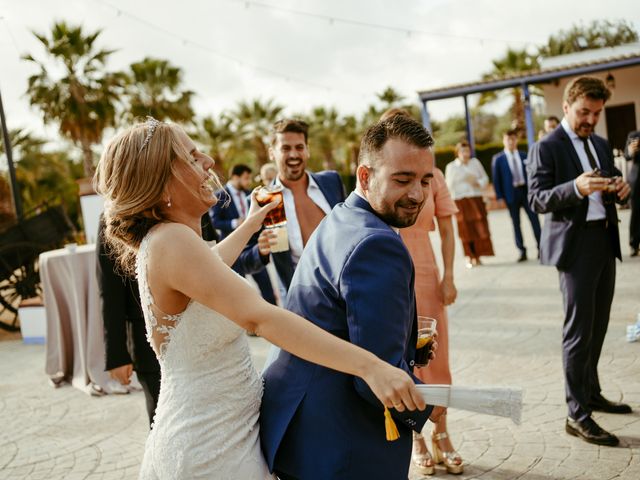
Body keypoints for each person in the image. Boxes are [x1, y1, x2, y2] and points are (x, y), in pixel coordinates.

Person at [95, 117, 425, 479]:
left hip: (226, 433)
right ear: (160, 180)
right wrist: (371, 366)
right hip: (211, 447)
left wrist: (251, 224)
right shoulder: (173, 241)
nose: (207, 161)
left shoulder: (167, 241)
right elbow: (260, 318)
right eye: (191, 157)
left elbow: (211, 267)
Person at [260, 114, 444, 480]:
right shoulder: (378, 244)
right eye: (402, 179)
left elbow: (344, 323)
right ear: (365, 176)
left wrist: (408, 344)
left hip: (301, 427)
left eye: (425, 180)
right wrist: (429, 408)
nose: (418, 194)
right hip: (342, 444)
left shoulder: (341, 215)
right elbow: (373, 381)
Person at [528, 76, 632, 447]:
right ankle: (576, 413)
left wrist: (621, 188)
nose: (590, 119)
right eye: (584, 112)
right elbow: (537, 198)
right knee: (578, 332)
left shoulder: (601, 144)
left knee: (599, 325)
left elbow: (613, 179)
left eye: (596, 113)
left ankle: (591, 392)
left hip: (605, 240)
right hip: (574, 249)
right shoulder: (548, 146)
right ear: (567, 106)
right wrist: (575, 187)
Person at [380, 108, 463, 475]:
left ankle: (442, 433)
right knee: (403, 357)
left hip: (427, 273)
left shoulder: (435, 176)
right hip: (388, 274)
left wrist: (449, 277)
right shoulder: (379, 177)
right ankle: (416, 438)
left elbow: (447, 229)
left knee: (437, 359)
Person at [241, 119, 346, 295]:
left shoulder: (331, 181)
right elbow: (244, 262)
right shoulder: (263, 199)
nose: (294, 155)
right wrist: (261, 250)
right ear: (272, 153)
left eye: (299, 147)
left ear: (307, 150)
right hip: (300, 298)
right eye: (285, 148)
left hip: (344, 287)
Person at [96, 217, 161, 427]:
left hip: (198, 337)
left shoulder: (187, 198)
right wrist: (117, 355)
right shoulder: (112, 216)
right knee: (161, 422)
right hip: (148, 342)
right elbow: (110, 291)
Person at [210, 163, 277, 305]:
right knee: (239, 294)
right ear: (235, 177)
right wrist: (235, 223)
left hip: (253, 248)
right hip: (232, 251)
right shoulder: (220, 195)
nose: (249, 181)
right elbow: (214, 222)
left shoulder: (251, 193)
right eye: (246, 178)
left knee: (268, 290)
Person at [492, 129, 541, 262]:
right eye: (508, 139)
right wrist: (500, 198)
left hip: (527, 193)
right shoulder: (498, 159)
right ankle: (522, 251)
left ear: (516, 140)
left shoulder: (524, 155)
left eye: (513, 139)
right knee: (516, 224)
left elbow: (533, 175)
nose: (511, 142)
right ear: (504, 141)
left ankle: (541, 249)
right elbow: (497, 180)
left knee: (534, 221)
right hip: (511, 195)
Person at [445, 141, 494, 268]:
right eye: (463, 151)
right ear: (458, 153)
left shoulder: (475, 163)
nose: (466, 154)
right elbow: (448, 186)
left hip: (476, 198)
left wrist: (477, 182)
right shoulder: (451, 167)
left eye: (467, 151)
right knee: (465, 230)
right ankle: (470, 256)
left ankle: (478, 256)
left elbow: (485, 178)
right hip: (461, 201)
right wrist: (460, 177)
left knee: (479, 228)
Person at [624, 130, 640, 256]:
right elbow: (626, 155)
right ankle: (634, 245)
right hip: (638, 180)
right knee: (636, 214)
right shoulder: (633, 136)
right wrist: (631, 151)